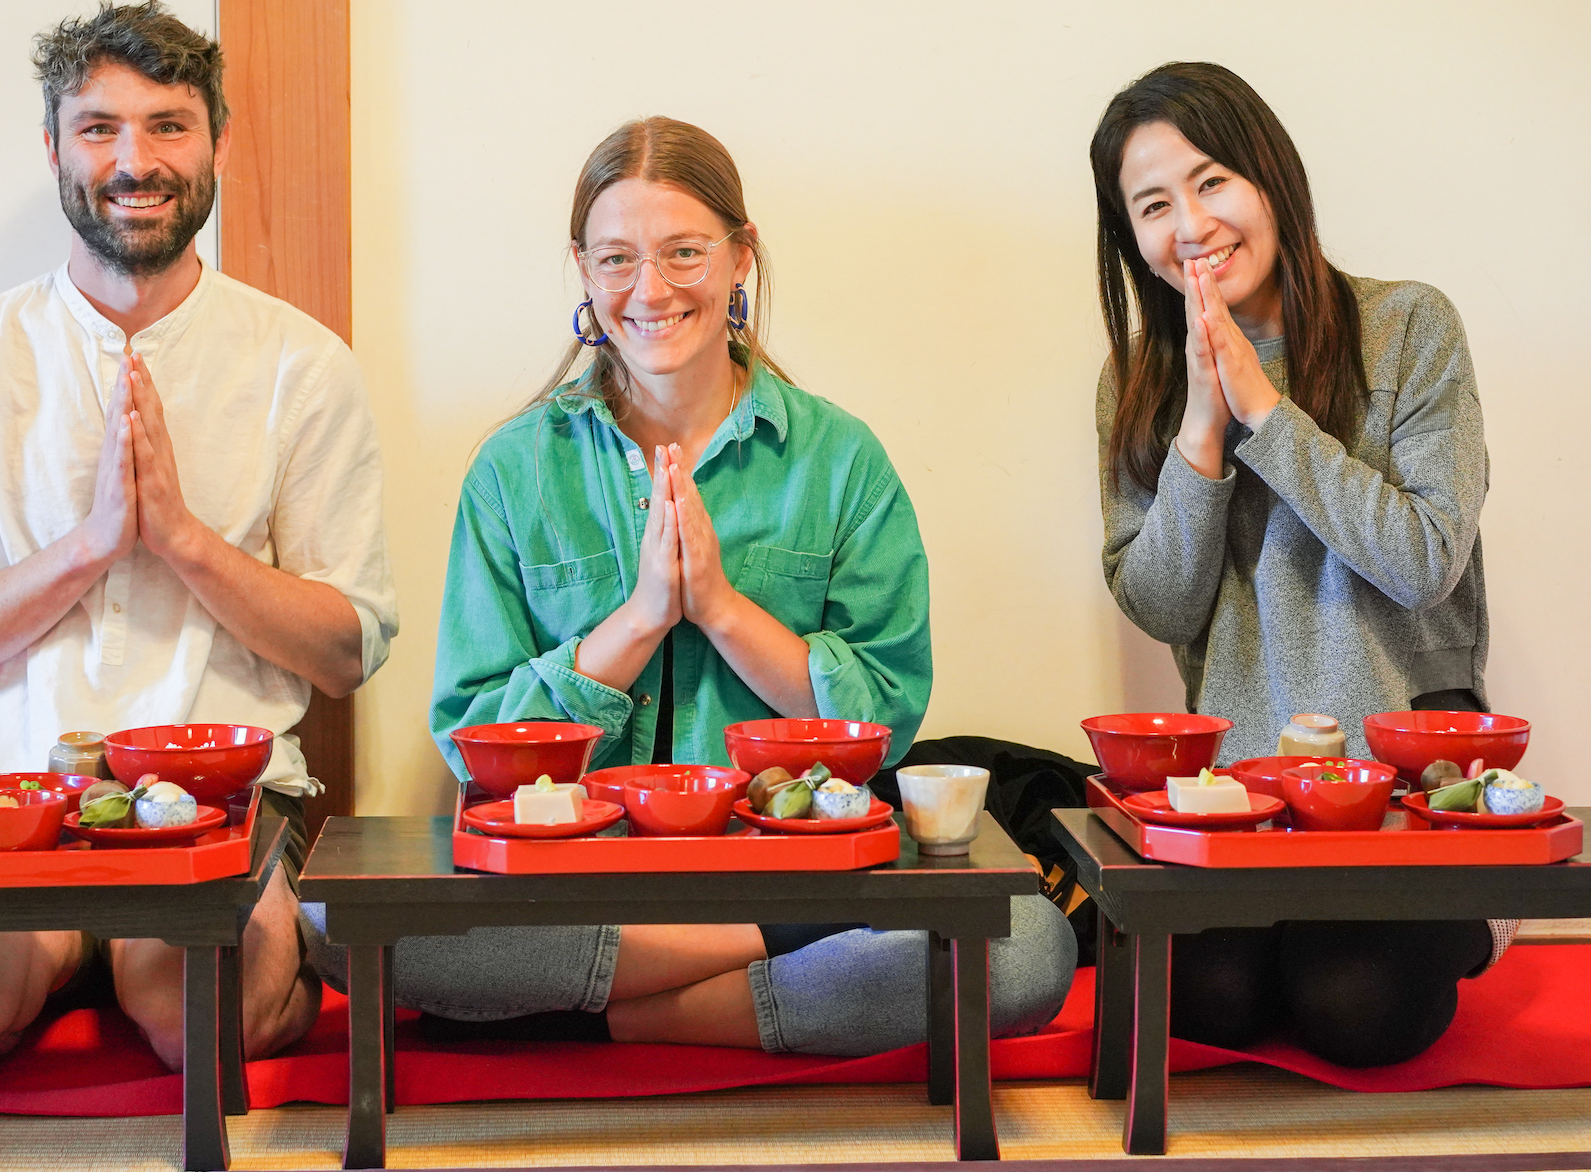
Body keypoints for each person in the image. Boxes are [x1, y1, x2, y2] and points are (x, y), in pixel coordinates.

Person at [309, 118, 1075, 1054]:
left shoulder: (839, 460)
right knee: (332, 925)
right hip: (576, 886)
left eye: (684, 252)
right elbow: (476, 743)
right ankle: (747, 973)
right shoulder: (514, 469)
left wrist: (719, 606)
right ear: (585, 272)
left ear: (740, 259)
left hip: (800, 884)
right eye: (618, 258)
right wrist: (636, 623)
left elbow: (886, 717)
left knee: (1030, 946)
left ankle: (637, 1011)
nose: (652, 288)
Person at [0, 0, 398, 1090]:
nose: (133, 160)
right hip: (8, 798)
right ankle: (59, 958)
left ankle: (200, 954)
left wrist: (186, 542)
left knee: (210, 1023)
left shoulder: (302, 363)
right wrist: (91, 545)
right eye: (99, 127)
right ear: (53, 147)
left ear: (217, 144)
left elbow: (347, 650)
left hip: (225, 801)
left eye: (167, 125)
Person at [1091, 61, 1500, 1066]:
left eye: (1210, 180)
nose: (1188, 224)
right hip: (1238, 796)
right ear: (1128, 237)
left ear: (1269, 176)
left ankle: (1479, 909)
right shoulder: (1134, 380)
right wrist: (1196, 427)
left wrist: (1265, 415)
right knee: (1206, 996)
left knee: (1356, 1008)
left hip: (1399, 785)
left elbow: (1422, 561)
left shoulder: (1407, 326)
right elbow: (1159, 603)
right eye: (1150, 204)